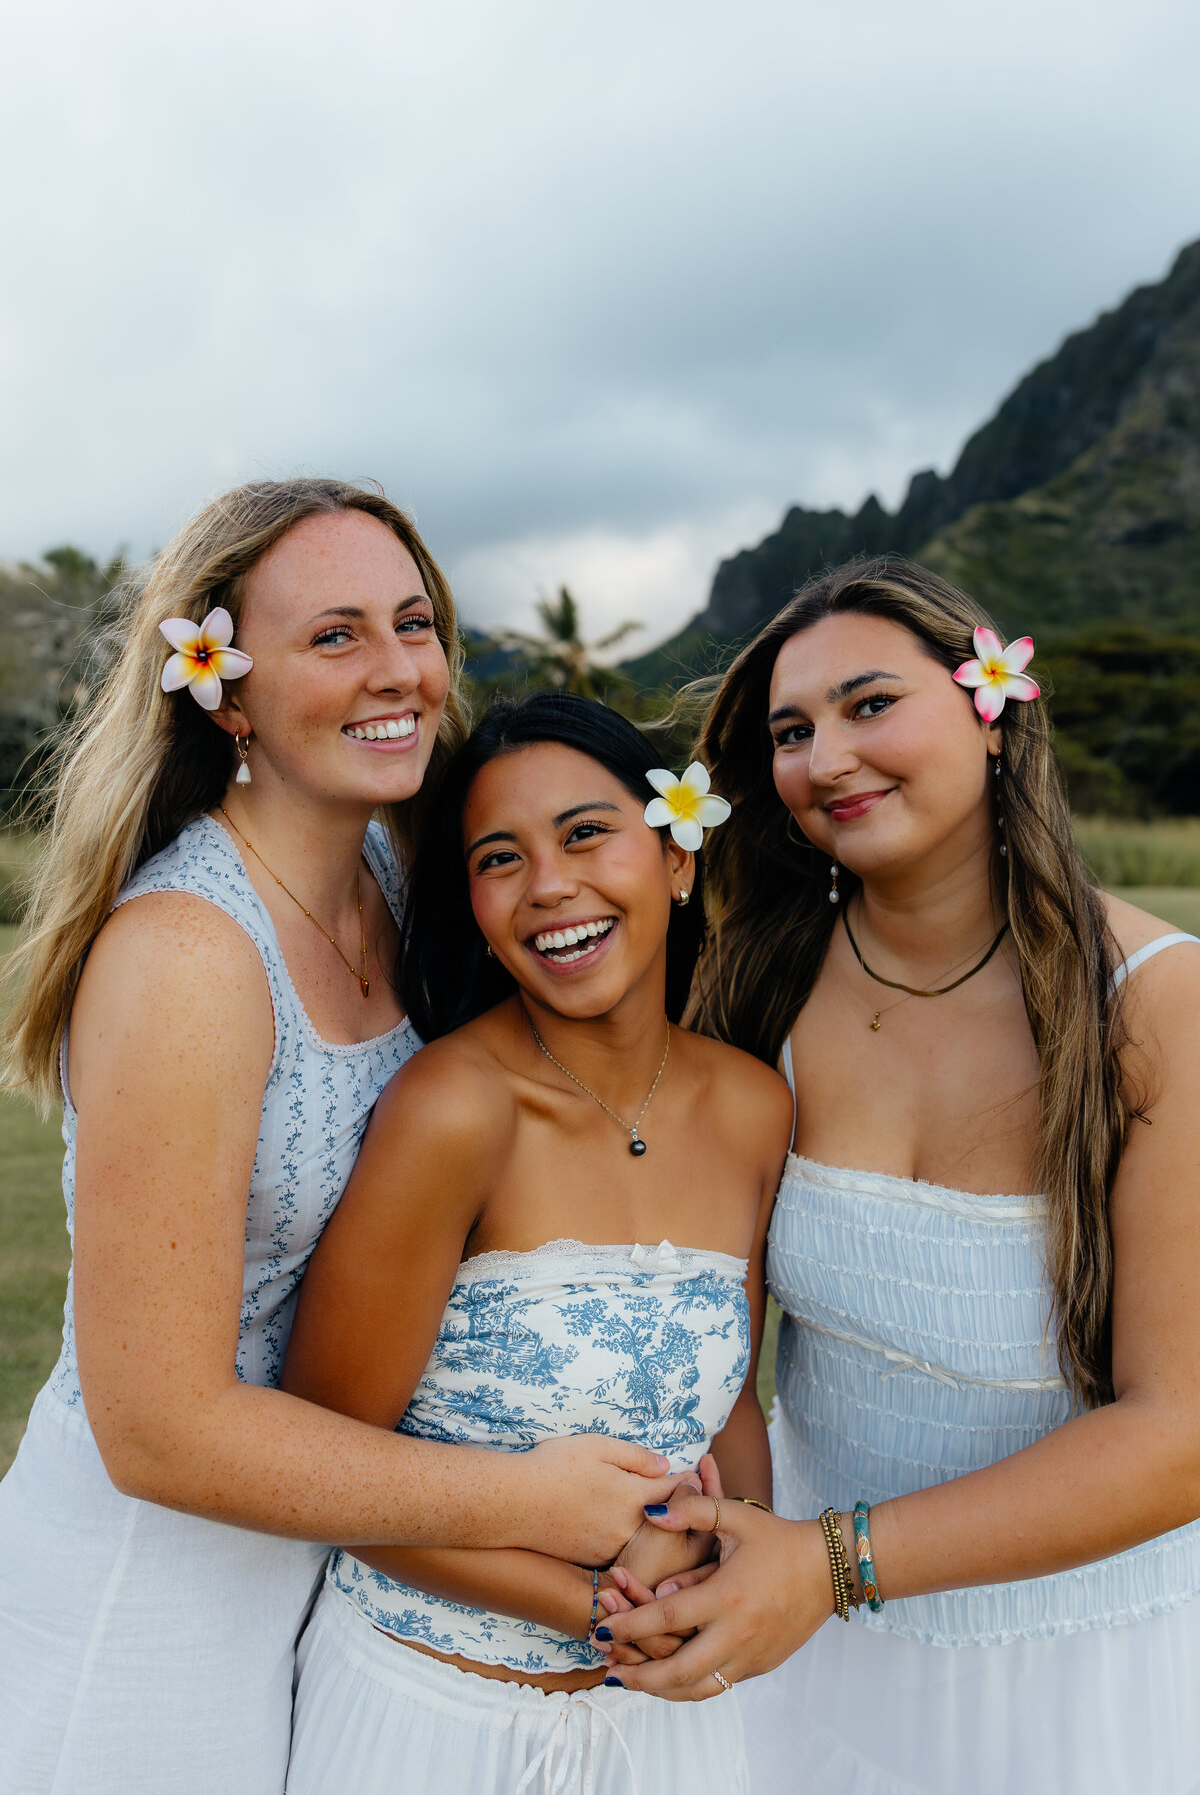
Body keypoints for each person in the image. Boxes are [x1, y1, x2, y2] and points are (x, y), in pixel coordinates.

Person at [0, 482, 680, 1795]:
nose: (399, 671)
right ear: (226, 692)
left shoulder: (392, 878)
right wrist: (529, 1501)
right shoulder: (189, 956)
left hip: (325, 1570)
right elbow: (159, 1430)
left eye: (415, 623)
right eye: (335, 636)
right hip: (148, 1604)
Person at [590, 557, 1200, 1795]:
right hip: (804, 1656)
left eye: (871, 705)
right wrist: (713, 1548)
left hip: (1078, 1671)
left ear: (991, 707)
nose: (826, 760)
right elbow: (707, 1335)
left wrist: (831, 1563)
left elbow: (1179, 1436)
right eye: (792, 732)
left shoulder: (1158, 1003)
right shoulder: (749, 987)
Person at [280, 692, 791, 1794]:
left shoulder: (755, 1109)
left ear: (678, 860)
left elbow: (731, 1399)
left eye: (587, 833)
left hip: (669, 1729)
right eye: (499, 857)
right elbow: (326, 1469)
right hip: (433, 1719)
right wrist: (605, 1607)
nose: (550, 886)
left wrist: (734, 1556)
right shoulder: (453, 1111)